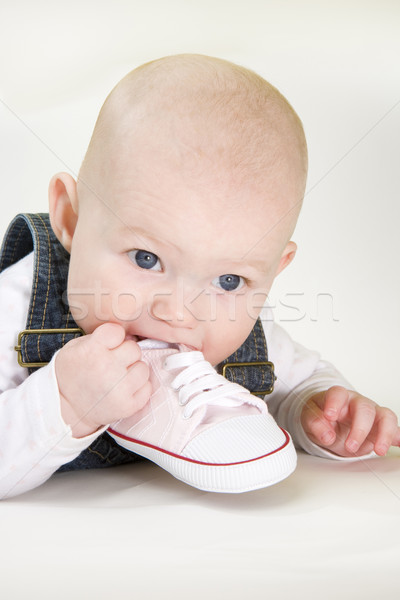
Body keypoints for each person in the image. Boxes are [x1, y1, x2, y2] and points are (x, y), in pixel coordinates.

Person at [1, 54, 399, 498]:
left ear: (273, 271)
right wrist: (64, 403)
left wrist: (317, 412)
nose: (179, 314)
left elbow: (300, 383)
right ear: (71, 218)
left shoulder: (248, 334)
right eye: (146, 259)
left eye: (228, 281)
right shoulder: (16, 307)